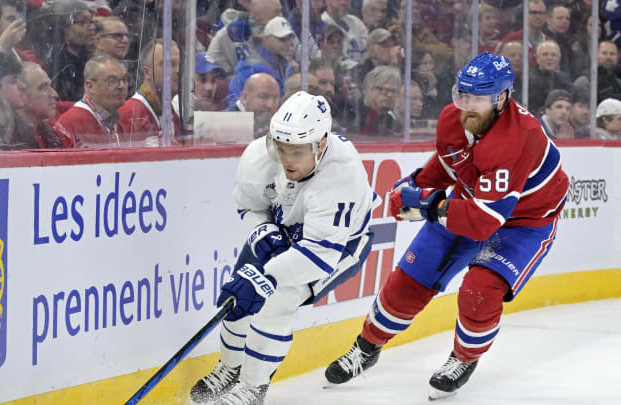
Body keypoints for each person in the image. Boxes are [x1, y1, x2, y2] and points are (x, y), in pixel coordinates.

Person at [325, 52, 569, 400]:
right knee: (409, 280)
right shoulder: (452, 119)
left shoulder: (517, 139)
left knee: (480, 289)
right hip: (473, 203)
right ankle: (366, 347)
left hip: (525, 221)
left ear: (501, 99)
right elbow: (450, 163)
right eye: (462, 95)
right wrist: (414, 185)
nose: (466, 106)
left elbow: (484, 222)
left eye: (478, 98)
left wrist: (426, 203)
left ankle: (464, 358)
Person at [189, 91, 379, 405]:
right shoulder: (259, 155)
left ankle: (253, 387)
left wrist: (268, 277)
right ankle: (230, 368)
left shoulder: (341, 172)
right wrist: (263, 231)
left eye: (298, 151)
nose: (287, 159)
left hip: (338, 246)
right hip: (283, 231)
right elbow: (249, 206)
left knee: (278, 300)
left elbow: (319, 253)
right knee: (239, 294)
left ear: (321, 144)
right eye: (281, 148)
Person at [54, 55, 128, 147]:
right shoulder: (71, 122)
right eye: (112, 80)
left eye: (124, 80)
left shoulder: (117, 119)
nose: (122, 86)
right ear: (90, 87)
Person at [118, 39, 182, 146]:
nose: (178, 70)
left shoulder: (174, 117)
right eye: (169, 64)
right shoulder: (130, 114)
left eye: (179, 64)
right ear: (147, 72)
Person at [228, 73, 281, 139]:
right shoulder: (224, 125)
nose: (270, 105)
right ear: (244, 98)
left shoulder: (279, 123)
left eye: (275, 98)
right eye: (263, 97)